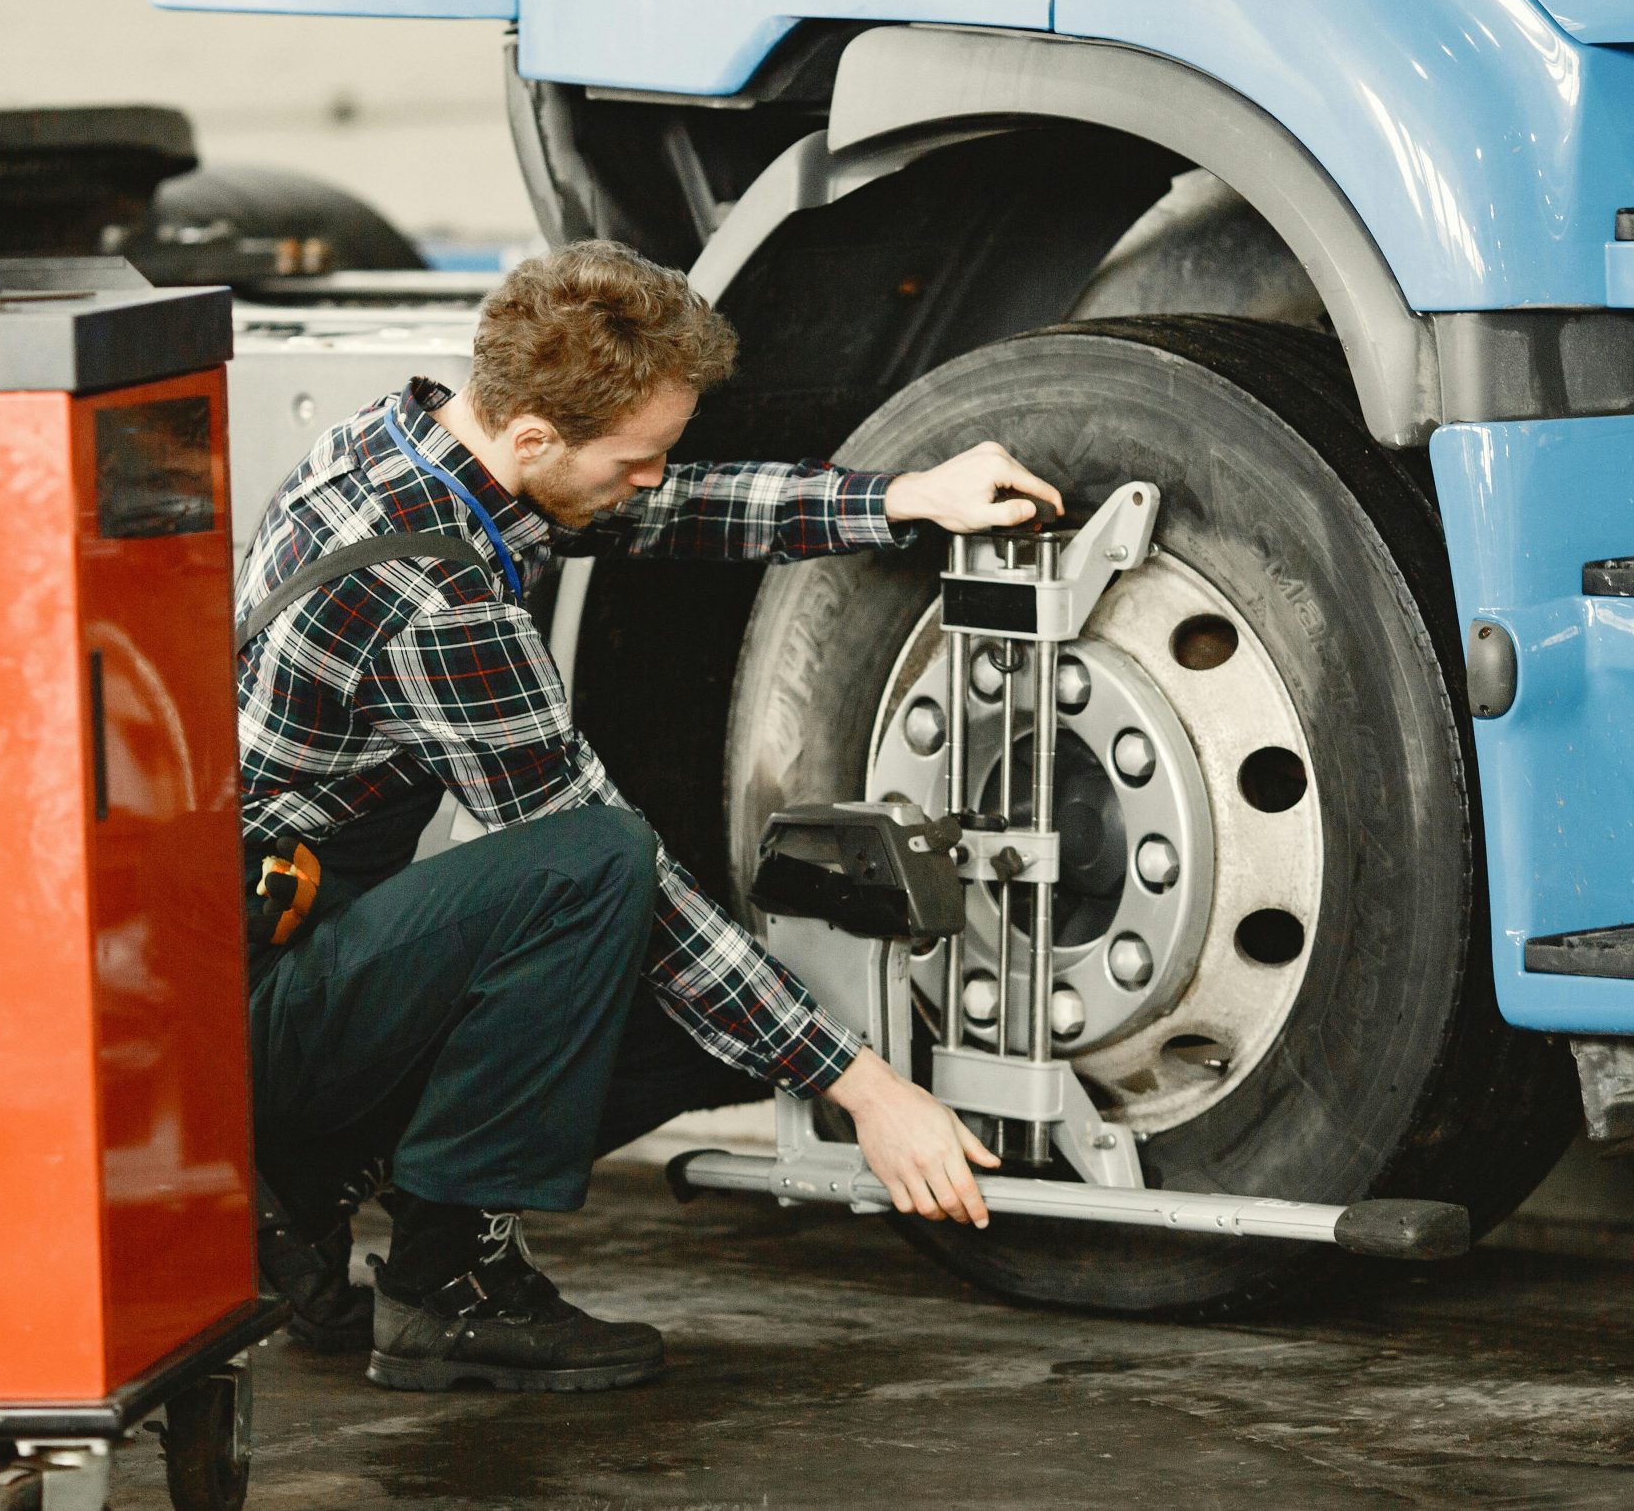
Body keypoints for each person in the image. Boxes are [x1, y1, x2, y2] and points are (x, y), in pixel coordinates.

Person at [235, 240, 1063, 1392]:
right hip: (256, 996)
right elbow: (614, 878)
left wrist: (901, 501)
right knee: (596, 872)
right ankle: (444, 1286)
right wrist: (868, 1088)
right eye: (637, 457)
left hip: (299, 938)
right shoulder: (435, 600)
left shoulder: (414, 446)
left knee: (704, 1018)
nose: (650, 478)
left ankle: (315, 1166)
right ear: (533, 438)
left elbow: (657, 510)